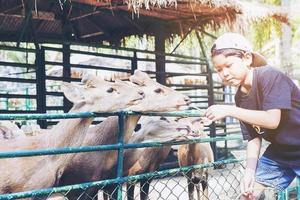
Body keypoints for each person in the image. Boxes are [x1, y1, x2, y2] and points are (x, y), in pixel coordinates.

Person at [204, 32, 300, 199]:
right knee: (248, 195)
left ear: (247, 59)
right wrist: (249, 172)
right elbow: (253, 137)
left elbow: (272, 120)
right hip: (280, 153)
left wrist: (229, 110)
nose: (224, 73)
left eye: (229, 65)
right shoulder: (239, 97)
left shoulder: (269, 76)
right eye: (219, 69)